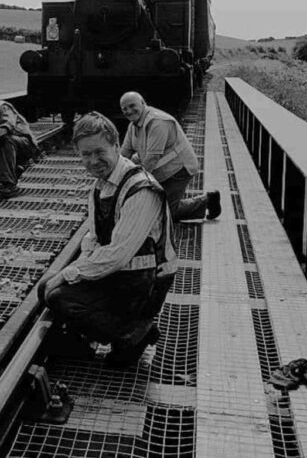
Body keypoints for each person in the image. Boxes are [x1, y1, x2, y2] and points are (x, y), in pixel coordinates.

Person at [40, 112, 176, 366]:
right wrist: (73, 268)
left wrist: (70, 274)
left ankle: (135, 332)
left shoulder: (140, 189)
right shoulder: (101, 184)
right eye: (85, 154)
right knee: (45, 288)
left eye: (99, 151)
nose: (93, 160)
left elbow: (118, 254)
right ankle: (83, 341)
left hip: (145, 283)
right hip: (121, 275)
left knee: (60, 297)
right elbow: (93, 237)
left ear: (116, 145)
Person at [119, 92, 221, 221]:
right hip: (161, 171)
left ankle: (207, 201)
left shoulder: (157, 123)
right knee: (152, 208)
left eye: (132, 106)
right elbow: (124, 153)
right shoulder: (133, 126)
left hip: (179, 169)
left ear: (143, 103)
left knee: (166, 215)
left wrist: (134, 184)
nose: (129, 111)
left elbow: (151, 160)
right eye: (124, 109)